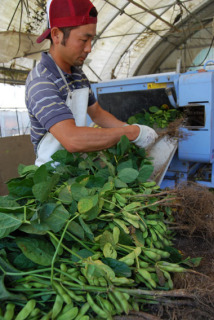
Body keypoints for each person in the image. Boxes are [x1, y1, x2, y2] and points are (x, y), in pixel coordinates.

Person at [25, 0, 158, 166]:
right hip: (52, 179)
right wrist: (131, 133)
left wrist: (131, 128)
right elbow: (72, 139)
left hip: (77, 170)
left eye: (91, 40)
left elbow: (97, 113)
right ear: (57, 35)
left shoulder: (78, 75)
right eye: (83, 40)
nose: (89, 48)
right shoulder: (42, 81)